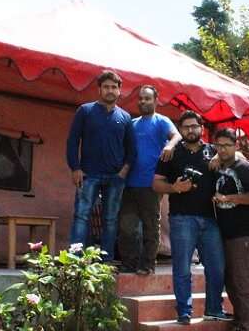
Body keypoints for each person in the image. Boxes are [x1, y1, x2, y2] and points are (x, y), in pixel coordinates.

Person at [153, 110, 228, 325]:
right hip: (181, 218)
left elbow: (237, 156)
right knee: (182, 267)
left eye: (194, 126)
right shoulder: (171, 153)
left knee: (216, 267)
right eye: (186, 127)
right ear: (181, 130)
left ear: (201, 128)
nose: (191, 130)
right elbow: (156, 183)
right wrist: (174, 188)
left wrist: (218, 155)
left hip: (210, 218)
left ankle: (214, 309)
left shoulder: (213, 151)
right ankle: (184, 311)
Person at [66, 70, 135, 260]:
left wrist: (124, 172)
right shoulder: (85, 111)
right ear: (99, 89)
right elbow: (73, 142)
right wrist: (75, 168)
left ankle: (106, 262)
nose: (110, 90)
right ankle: (75, 260)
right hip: (88, 174)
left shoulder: (125, 117)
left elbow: (132, 149)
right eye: (106, 87)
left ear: (120, 91)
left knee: (111, 220)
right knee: (81, 216)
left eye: (114, 87)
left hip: (115, 178)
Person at [118, 85, 181, 275]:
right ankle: (129, 264)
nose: (143, 101)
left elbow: (177, 135)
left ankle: (147, 265)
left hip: (152, 184)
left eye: (147, 98)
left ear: (155, 100)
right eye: (141, 98)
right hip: (129, 184)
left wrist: (170, 146)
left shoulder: (162, 121)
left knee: (150, 227)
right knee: (127, 227)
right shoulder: (132, 123)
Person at [212, 128, 249, 331]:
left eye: (227, 145)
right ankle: (240, 324)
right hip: (227, 233)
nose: (223, 149)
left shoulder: (245, 168)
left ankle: (246, 330)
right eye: (219, 145)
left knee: (244, 282)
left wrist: (228, 197)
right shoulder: (221, 168)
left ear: (235, 146)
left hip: (246, 234)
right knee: (232, 282)